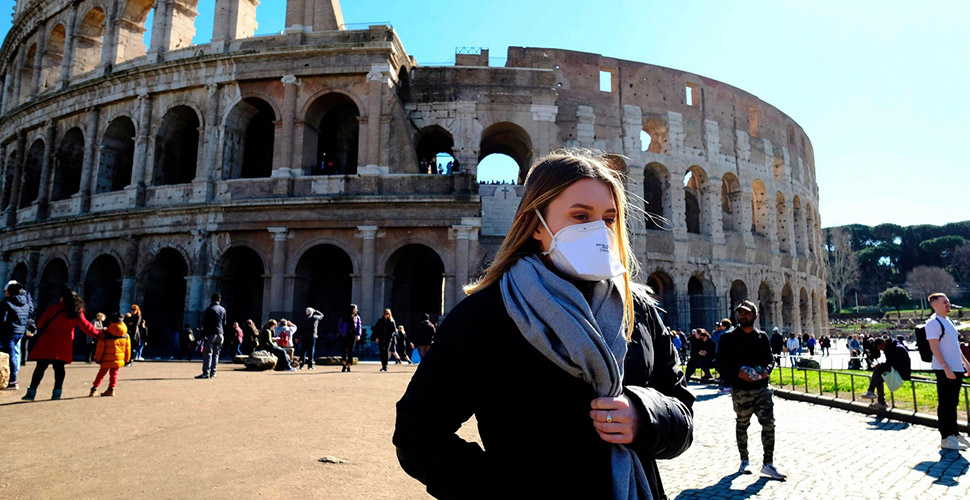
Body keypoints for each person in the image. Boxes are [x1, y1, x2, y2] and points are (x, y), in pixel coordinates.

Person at [393, 150, 694, 499]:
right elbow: (419, 433)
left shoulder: (637, 309)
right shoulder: (486, 315)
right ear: (537, 224)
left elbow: (682, 413)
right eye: (581, 216)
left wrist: (644, 414)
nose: (598, 231)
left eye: (608, 219)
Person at [716, 300, 786, 480]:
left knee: (769, 424)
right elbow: (720, 363)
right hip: (741, 390)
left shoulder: (762, 337)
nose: (742, 316)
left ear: (755, 316)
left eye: (746, 313)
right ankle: (744, 460)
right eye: (740, 313)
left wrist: (766, 372)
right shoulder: (728, 338)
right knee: (742, 424)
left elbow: (770, 360)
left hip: (762, 389)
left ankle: (768, 464)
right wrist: (738, 374)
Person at [22, 287, 100, 401]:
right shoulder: (76, 311)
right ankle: (57, 393)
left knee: (40, 368)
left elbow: (40, 323)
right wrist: (100, 335)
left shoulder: (53, 308)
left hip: (48, 341)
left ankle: (31, 392)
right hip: (64, 344)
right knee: (59, 369)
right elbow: (86, 326)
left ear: (62, 298)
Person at [924, 293, 970, 450]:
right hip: (945, 369)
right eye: (944, 302)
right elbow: (934, 347)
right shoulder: (933, 323)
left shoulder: (948, 321)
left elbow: (955, 346)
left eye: (948, 301)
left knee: (953, 403)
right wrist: (945, 367)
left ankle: (954, 433)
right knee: (945, 403)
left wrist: (965, 362)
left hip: (955, 368)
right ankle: (945, 436)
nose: (948, 304)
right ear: (934, 305)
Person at [860, 336, 911, 410]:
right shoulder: (890, 346)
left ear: (883, 344)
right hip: (897, 368)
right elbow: (890, 363)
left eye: (881, 349)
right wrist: (882, 365)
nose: (882, 351)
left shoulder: (897, 348)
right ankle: (880, 401)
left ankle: (872, 391)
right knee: (878, 376)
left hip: (902, 371)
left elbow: (893, 364)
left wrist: (882, 365)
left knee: (878, 371)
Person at [89, 312, 131, 397]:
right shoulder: (126, 335)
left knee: (101, 374)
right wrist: (127, 359)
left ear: (112, 321)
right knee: (114, 373)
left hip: (106, 358)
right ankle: (111, 389)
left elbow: (100, 347)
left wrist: (97, 358)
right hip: (118, 358)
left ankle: (94, 389)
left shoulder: (107, 334)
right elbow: (128, 349)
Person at [1, 281, 31, 390]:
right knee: (15, 354)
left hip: (9, 331)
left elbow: (2, 319)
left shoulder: (7, 303)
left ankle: (13, 381)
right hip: (20, 331)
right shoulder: (25, 303)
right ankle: (13, 378)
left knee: (10, 355)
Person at [196, 293, 226, 379]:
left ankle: (206, 373)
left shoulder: (209, 309)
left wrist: (202, 335)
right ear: (219, 300)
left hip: (210, 334)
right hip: (220, 334)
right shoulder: (223, 309)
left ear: (211, 299)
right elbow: (224, 323)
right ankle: (213, 373)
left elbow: (205, 324)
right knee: (216, 354)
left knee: (208, 354)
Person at [336, 304, 362, 372]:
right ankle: (344, 364)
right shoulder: (344, 316)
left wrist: (358, 334)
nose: (356, 310)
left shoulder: (357, 317)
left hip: (352, 335)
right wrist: (342, 332)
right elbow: (339, 325)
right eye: (355, 308)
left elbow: (359, 326)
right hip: (345, 335)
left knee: (351, 350)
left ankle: (349, 365)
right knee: (344, 350)